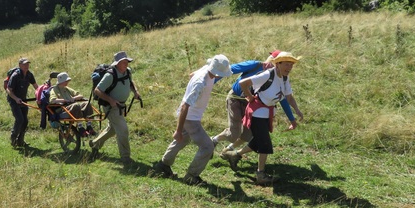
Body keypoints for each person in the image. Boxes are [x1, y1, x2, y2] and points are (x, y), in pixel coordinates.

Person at [221, 51, 303, 185]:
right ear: (278, 63)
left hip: (267, 113)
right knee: (264, 144)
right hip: (257, 113)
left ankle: (234, 155)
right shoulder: (267, 74)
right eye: (286, 64)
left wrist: (297, 110)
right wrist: (250, 97)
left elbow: (288, 97)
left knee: (259, 141)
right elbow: (243, 83)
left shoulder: (284, 78)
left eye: (291, 65)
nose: (289, 68)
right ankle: (261, 175)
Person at [152, 54, 232, 186]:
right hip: (190, 118)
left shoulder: (206, 69)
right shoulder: (200, 83)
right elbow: (185, 106)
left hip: (191, 115)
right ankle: (191, 176)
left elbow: (191, 74)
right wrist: (178, 130)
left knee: (183, 139)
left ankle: (163, 165)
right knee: (207, 146)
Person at [90, 51, 141, 165]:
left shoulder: (127, 71)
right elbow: (97, 91)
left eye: (127, 61)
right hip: (111, 107)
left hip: (121, 106)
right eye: (123, 62)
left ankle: (94, 144)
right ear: (117, 63)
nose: (126, 64)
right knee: (122, 130)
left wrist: (135, 92)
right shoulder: (110, 75)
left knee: (112, 129)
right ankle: (126, 158)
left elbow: (130, 82)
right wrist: (111, 100)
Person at [48, 72, 97, 136]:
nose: (68, 82)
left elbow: (80, 95)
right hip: (62, 110)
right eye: (66, 81)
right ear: (62, 81)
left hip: (71, 107)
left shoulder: (67, 88)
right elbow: (52, 100)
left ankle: (89, 126)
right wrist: (65, 100)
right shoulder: (54, 90)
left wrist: (74, 98)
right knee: (76, 105)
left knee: (87, 104)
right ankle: (80, 127)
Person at [6, 57, 39, 148]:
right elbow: (9, 90)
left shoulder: (29, 75)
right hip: (14, 100)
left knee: (25, 121)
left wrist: (41, 95)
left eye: (27, 64)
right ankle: (13, 139)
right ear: (20, 65)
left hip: (23, 100)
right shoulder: (15, 75)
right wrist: (16, 99)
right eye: (24, 64)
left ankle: (21, 141)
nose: (26, 66)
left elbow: (36, 87)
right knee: (20, 119)